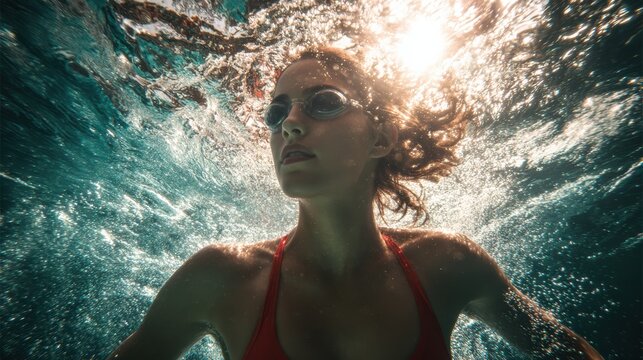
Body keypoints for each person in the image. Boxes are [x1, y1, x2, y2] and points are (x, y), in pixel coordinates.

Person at [108, 47, 603, 359]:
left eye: (323, 102)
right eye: (276, 112)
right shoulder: (220, 277)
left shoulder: (449, 263)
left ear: (381, 137)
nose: (290, 124)